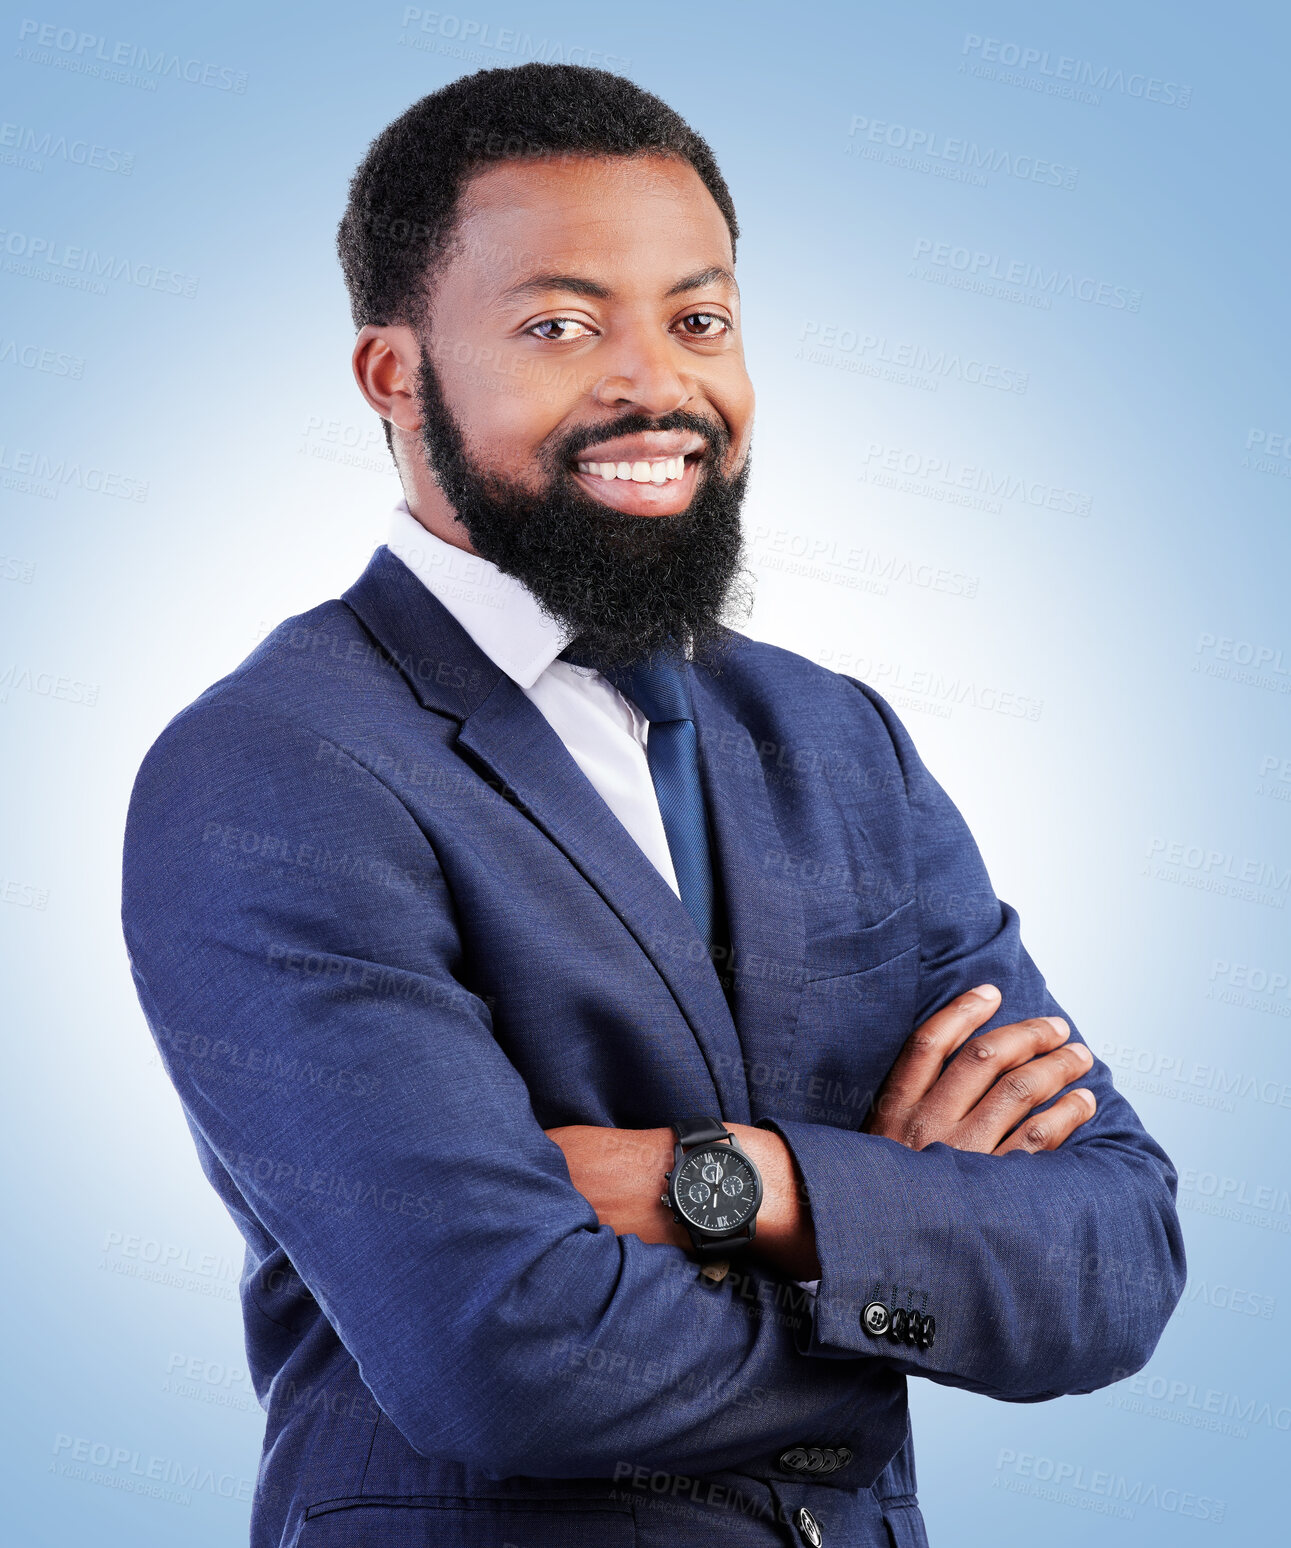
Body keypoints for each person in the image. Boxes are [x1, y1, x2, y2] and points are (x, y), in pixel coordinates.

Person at [121, 63, 1185, 1548]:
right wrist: (908, 1276)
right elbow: (506, 1353)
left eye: (700, 320)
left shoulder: (838, 736)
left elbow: (1118, 1259)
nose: (656, 383)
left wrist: (728, 1185)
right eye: (558, 326)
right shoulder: (275, 767)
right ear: (394, 374)